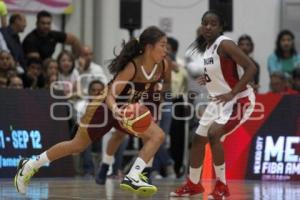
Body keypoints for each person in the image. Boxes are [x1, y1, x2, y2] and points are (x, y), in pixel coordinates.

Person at [14, 26, 168, 197]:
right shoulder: (133, 66)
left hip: (127, 110)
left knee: (157, 135)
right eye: (162, 45)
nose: (165, 49)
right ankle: (30, 164)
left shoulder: (162, 65)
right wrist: (115, 109)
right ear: (148, 47)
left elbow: (155, 90)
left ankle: (133, 175)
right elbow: (111, 94)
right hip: (104, 106)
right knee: (77, 146)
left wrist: (153, 108)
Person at [170, 10, 257, 199]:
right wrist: (207, 78)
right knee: (197, 140)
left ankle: (222, 186)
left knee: (214, 134)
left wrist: (233, 92)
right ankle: (193, 184)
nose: (208, 27)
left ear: (221, 27)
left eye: (213, 23)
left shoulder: (225, 43)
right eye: (205, 23)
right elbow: (223, 71)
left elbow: (251, 67)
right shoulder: (207, 48)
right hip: (218, 100)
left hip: (239, 99)